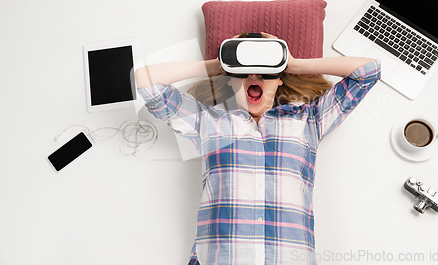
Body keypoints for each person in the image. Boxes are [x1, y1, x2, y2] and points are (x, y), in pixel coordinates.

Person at [135, 32, 381, 265]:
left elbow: (368, 71)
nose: (255, 78)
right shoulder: (209, 122)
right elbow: (145, 80)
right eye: (244, 73)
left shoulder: (309, 120)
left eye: (266, 72)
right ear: (230, 81)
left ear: (280, 78)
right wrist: (220, 64)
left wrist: (293, 63)